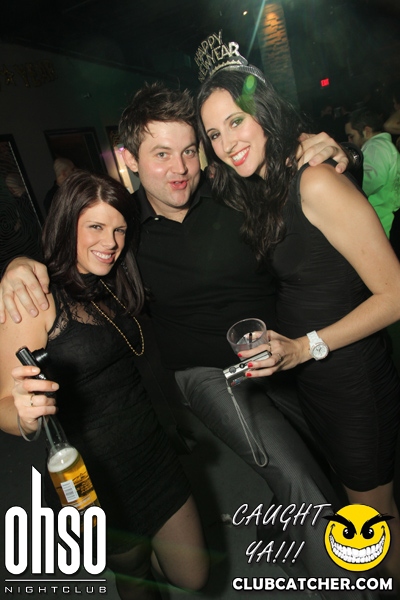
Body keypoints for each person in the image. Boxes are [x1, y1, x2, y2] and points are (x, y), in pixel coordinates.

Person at [0, 86, 370, 598]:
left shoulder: (235, 195)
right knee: (298, 476)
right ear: (130, 159)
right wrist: (19, 266)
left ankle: (279, 529)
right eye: (161, 154)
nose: (179, 168)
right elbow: (75, 248)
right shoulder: (126, 230)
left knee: (332, 456)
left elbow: (305, 193)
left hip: (281, 352)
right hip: (208, 374)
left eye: (190, 151)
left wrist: (336, 152)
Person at [197, 50, 400, 582]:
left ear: (264, 111)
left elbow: (396, 294)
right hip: (317, 381)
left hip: (353, 381)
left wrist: (304, 346)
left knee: (374, 523)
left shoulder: (314, 182)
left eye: (235, 121)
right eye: (213, 134)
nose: (226, 143)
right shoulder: (265, 187)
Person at [0, 170, 208, 600]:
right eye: (95, 226)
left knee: (194, 576)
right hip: (92, 472)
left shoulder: (114, 280)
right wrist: (24, 416)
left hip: (151, 449)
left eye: (119, 229)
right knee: (134, 575)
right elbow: (4, 403)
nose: (110, 242)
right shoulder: (35, 299)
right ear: (66, 225)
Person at [345, 107, 400, 237]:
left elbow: (371, 181)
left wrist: (347, 188)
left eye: (352, 136)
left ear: (367, 131)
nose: (349, 141)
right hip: (387, 217)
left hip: (381, 220)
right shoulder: (385, 145)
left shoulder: (375, 146)